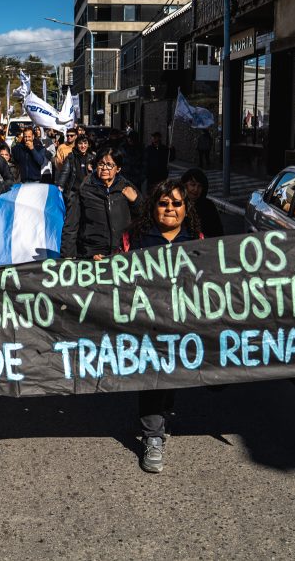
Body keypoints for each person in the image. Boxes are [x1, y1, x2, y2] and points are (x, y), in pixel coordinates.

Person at [125, 180, 197, 473]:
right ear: (153, 207)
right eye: (163, 203)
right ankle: (152, 436)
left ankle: (163, 414)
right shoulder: (137, 238)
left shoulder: (197, 240)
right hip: (149, 323)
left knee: (172, 376)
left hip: (182, 323)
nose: (170, 209)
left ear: (186, 208)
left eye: (177, 203)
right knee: (153, 376)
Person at [68, 147, 140, 259]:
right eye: (101, 164)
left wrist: (135, 201)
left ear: (118, 169)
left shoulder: (126, 187)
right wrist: (68, 256)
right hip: (92, 254)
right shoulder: (84, 189)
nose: (105, 168)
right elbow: (71, 225)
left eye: (109, 165)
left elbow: (144, 216)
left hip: (122, 254)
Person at [55, 135, 94, 258]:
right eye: (80, 143)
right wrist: (60, 186)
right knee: (71, 224)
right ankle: (68, 254)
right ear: (76, 145)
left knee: (87, 223)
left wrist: (92, 169)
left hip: (89, 194)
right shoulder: (71, 157)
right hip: (74, 193)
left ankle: (85, 252)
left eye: (85, 143)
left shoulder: (92, 157)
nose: (83, 146)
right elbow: (65, 172)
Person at [180, 168, 224, 237]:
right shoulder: (176, 204)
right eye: (193, 185)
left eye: (199, 186)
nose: (196, 189)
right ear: (184, 186)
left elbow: (218, 232)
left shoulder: (208, 206)